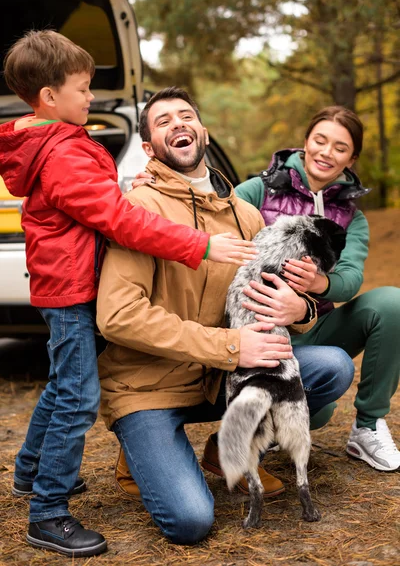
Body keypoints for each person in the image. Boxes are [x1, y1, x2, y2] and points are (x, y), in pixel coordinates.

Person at [0, 31, 258, 558]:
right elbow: (115, 219)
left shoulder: (56, 144)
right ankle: (47, 511)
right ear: (49, 97)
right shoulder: (63, 151)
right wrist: (199, 245)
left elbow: (94, 203)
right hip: (72, 291)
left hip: (66, 283)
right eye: (83, 88)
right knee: (77, 398)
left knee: (60, 384)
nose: (91, 96)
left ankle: (28, 472)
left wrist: (116, 186)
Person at [96, 87, 355, 545]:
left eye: (186, 115)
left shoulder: (247, 215)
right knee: (192, 521)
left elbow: (276, 295)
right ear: (150, 147)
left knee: (332, 366)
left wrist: (300, 310)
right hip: (149, 386)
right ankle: (139, 446)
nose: (178, 123)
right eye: (163, 121)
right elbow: (118, 316)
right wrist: (232, 347)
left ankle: (225, 448)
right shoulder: (140, 210)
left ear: (203, 131)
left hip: (220, 379)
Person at [234, 105, 400, 472]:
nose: (326, 153)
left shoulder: (353, 218)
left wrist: (318, 283)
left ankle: (368, 427)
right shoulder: (259, 190)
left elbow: (351, 280)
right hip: (258, 332)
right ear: (305, 142)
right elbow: (212, 218)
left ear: (351, 158)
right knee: (316, 409)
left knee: (393, 303)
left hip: (313, 330)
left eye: (340, 148)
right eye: (320, 141)